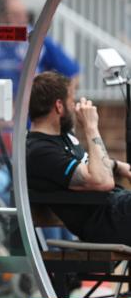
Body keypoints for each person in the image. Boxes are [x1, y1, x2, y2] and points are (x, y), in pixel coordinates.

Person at [27, 71, 131, 246]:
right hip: (106, 221)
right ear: (59, 106)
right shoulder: (41, 151)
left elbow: (88, 165)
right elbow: (102, 182)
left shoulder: (63, 136)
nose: (75, 107)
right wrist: (91, 127)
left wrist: (117, 165)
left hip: (116, 210)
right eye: (72, 100)